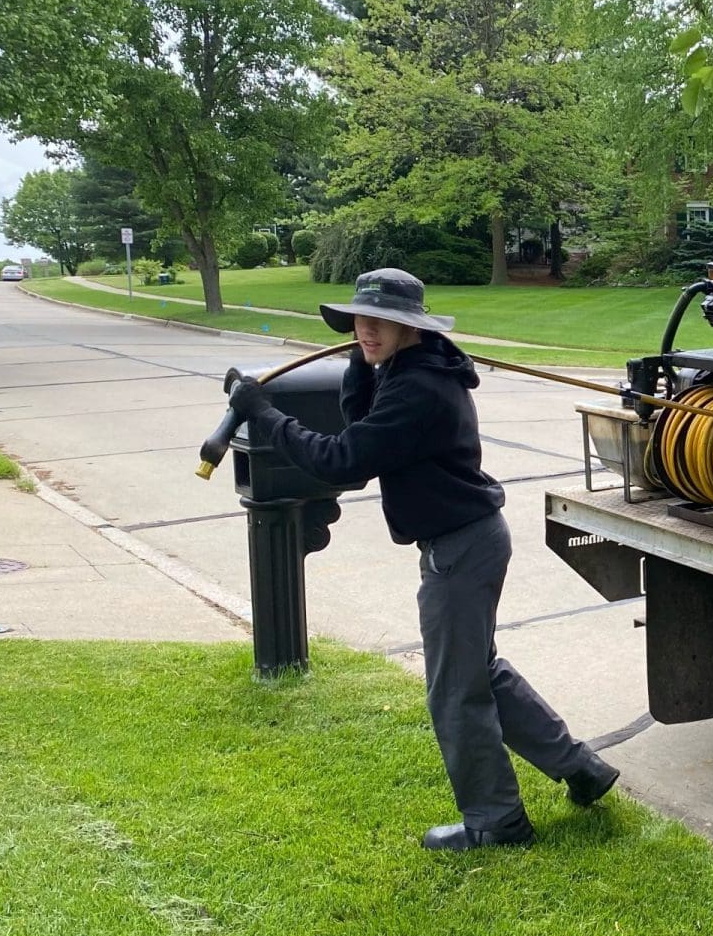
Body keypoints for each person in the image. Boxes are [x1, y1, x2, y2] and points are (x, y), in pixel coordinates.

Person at [229, 267, 618, 851]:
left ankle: (497, 822)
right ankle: (580, 768)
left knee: (453, 689)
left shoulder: (420, 389)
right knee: (477, 671)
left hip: (460, 550)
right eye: (361, 320)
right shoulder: (410, 370)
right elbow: (362, 421)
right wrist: (364, 361)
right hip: (468, 539)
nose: (366, 330)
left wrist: (264, 414)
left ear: (411, 326)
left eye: (381, 322)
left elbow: (344, 460)